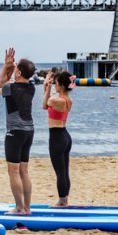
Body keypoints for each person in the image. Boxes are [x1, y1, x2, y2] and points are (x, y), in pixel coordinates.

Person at [0, 47, 37, 215]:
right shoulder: (32, 87)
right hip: (29, 131)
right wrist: (12, 68)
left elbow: (0, 85)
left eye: (16, 69)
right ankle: (27, 208)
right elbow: (11, 81)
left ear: (19, 72)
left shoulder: (11, 88)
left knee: (13, 171)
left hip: (15, 132)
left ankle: (19, 208)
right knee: (24, 171)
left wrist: (6, 66)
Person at [43, 69, 75, 207]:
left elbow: (44, 105)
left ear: (61, 85)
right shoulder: (68, 100)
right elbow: (48, 101)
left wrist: (47, 88)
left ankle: (62, 201)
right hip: (65, 136)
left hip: (56, 137)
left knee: (60, 172)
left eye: (56, 83)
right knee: (65, 171)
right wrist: (48, 87)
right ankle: (65, 199)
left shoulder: (56, 100)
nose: (54, 85)